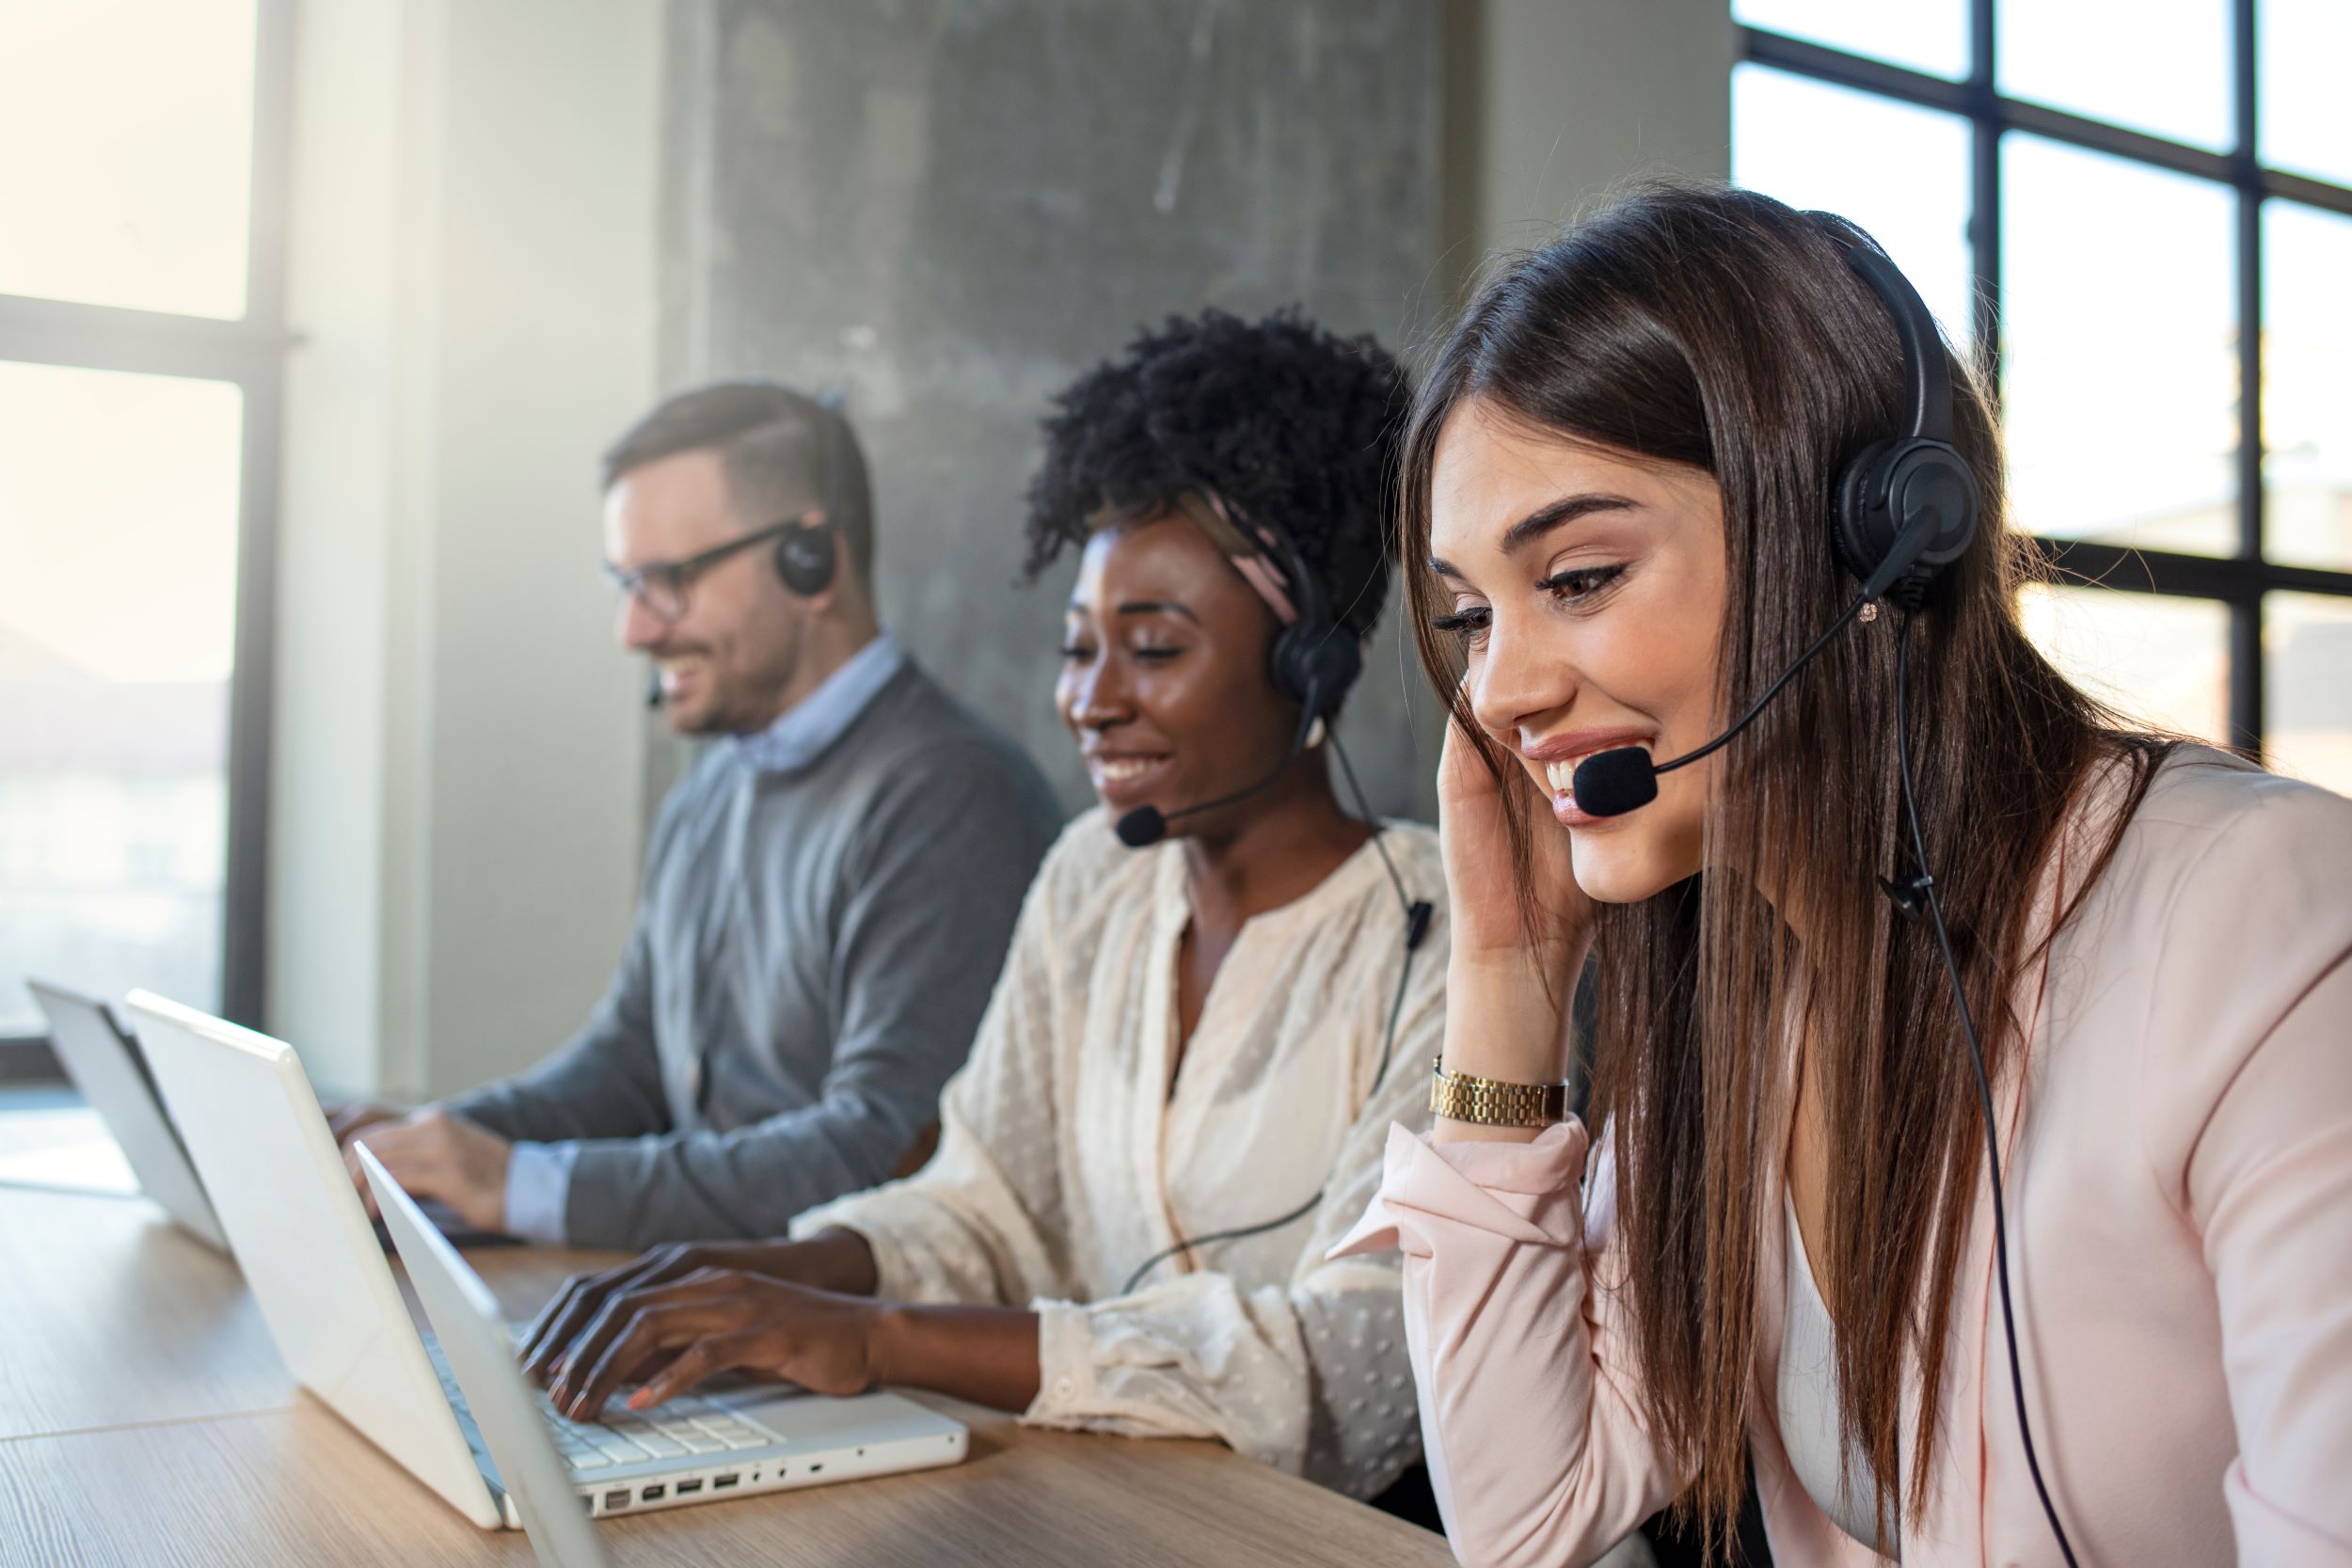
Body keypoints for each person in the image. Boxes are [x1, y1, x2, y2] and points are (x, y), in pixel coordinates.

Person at [1335, 183, 2352, 1566]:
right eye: (1468, 615)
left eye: (1576, 576)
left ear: (1870, 543)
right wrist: (1508, 977)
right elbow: (1530, 1520)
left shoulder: (2262, 920)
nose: (1499, 688)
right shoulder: (1749, 997)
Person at [516, 309, 1445, 1502]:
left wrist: (876, 1335)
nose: (1089, 702)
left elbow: (1355, 1367)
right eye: (1076, 648)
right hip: (1125, 1503)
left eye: (1152, 649)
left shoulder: (1450, 935)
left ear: (1308, 662)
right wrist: (757, 1275)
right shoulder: (1092, 879)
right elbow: (984, 1206)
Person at [332, 383, 1063, 1250]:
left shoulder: (952, 798)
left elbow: (883, 1152)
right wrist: (423, 1145)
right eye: (625, 583)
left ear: (812, 561)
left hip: (849, 1353)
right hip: (714, 1309)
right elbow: (633, 1064)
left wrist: (517, 1182)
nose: (634, 629)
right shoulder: (712, 789)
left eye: (668, 581)